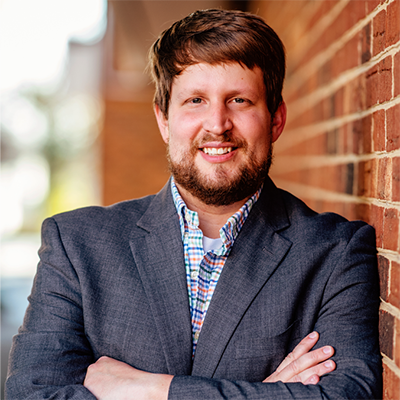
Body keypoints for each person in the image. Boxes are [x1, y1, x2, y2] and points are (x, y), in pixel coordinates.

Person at [6, 8, 381, 400]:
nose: (217, 123)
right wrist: (264, 393)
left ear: (275, 120)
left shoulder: (336, 251)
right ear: (164, 119)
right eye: (196, 100)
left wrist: (153, 390)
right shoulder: (76, 245)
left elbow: (346, 396)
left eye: (239, 100)